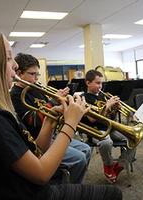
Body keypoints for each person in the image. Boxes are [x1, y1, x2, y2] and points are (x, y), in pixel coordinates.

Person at [0, 29, 123, 200]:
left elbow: (37, 152)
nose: (15, 65)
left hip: (27, 187)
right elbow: (41, 173)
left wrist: (49, 121)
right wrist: (70, 123)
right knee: (114, 194)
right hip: (29, 193)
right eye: (8, 57)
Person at [10, 53, 91, 184]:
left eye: (37, 74)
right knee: (79, 158)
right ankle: (67, 189)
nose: (36, 79)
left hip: (52, 135)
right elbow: (32, 121)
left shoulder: (36, 89)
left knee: (86, 149)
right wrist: (53, 101)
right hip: (38, 141)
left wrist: (66, 106)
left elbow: (51, 112)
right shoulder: (15, 95)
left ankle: (73, 185)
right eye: (32, 74)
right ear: (19, 73)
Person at [81, 69, 134, 183]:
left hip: (110, 128)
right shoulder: (83, 98)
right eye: (98, 83)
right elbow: (92, 119)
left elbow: (111, 118)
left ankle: (119, 165)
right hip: (95, 130)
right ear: (88, 83)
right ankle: (109, 165)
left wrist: (115, 108)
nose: (100, 86)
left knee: (133, 139)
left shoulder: (103, 96)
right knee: (106, 143)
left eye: (101, 83)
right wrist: (108, 105)